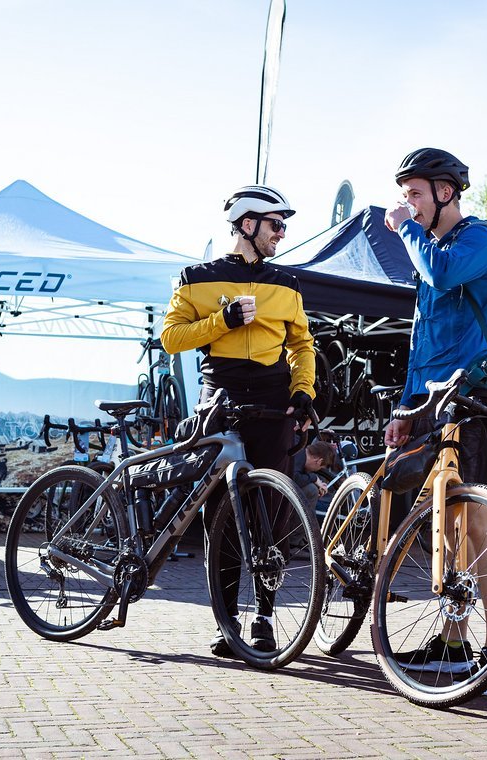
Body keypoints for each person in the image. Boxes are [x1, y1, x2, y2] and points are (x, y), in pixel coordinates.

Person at [381, 148, 487, 695]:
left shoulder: (478, 241)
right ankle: (456, 640)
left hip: (474, 390)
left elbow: (440, 276)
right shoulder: (431, 245)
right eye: (406, 196)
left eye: (416, 194)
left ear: (445, 192)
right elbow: (426, 342)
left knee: (480, 519)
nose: (407, 205)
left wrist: (401, 230)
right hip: (432, 396)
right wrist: (406, 409)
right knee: (450, 519)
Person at [161, 184, 316, 657]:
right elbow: (170, 338)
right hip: (220, 400)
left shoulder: (287, 284)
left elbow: (303, 345)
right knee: (221, 515)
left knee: (272, 510)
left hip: (274, 402)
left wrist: (303, 391)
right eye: (276, 225)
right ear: (247, 224)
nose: (282, 234)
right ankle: (227, 620)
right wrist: (221, 322)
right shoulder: (195, 277)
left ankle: (265, 618)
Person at [291, 439, 336, 510]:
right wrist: (314, 478)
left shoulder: (298, 446)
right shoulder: (298, 457)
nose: (318, 469)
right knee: (312, 490)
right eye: (320, 467)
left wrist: (316, 483)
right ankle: (304, 521)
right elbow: (294, 479)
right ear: (319, 461)